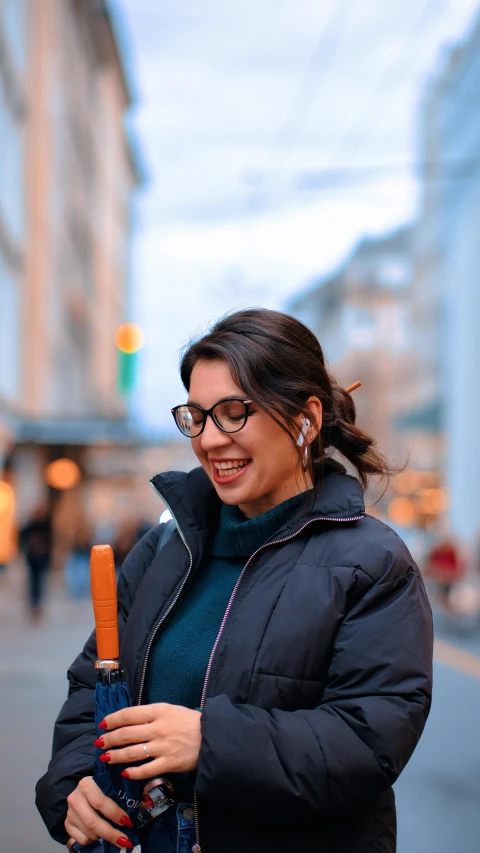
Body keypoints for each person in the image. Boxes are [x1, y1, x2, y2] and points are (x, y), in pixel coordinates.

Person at [36, 309, 433, 853]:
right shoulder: (161, 550)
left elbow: (368, 742)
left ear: (306, 420)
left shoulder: (373, 562)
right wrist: (73, 786)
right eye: (196, 417)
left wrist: (208, 740)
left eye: (232, 412)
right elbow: (92, 689)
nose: (209, 440)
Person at [19, 503, 52, 621]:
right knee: (33, 582)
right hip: (32, 558)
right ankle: (33, 605)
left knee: (39, 581)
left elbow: (50, 541)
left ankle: (38, 605)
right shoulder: (30, 526)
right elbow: (22, 538)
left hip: (41, 558)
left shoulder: (45, 525)